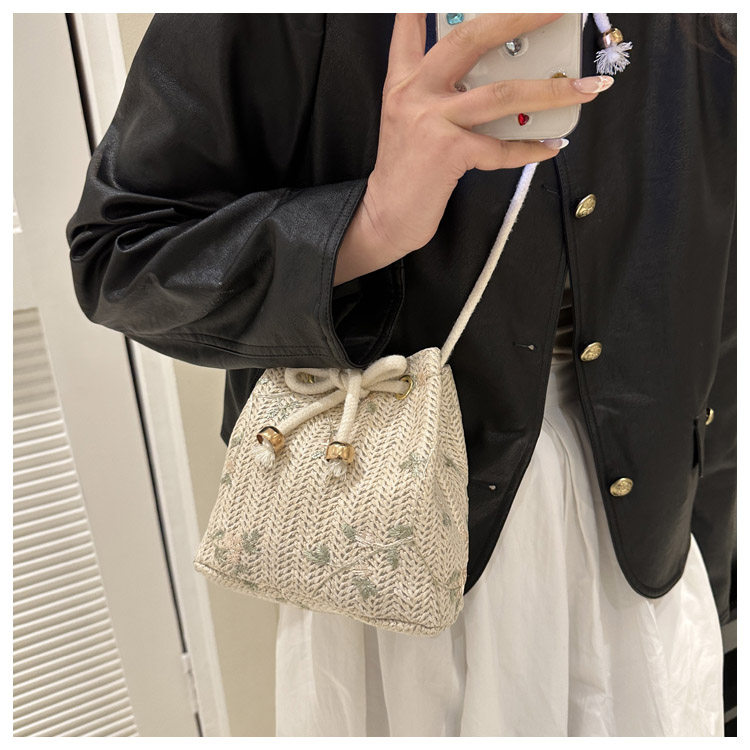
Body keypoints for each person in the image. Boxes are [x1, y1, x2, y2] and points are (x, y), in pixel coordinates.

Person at [65, 13, 736, 737]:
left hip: (645, 536)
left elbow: (716, 283)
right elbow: (120, 257)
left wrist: (714, 553)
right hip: (389, 534)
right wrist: (370, 223)